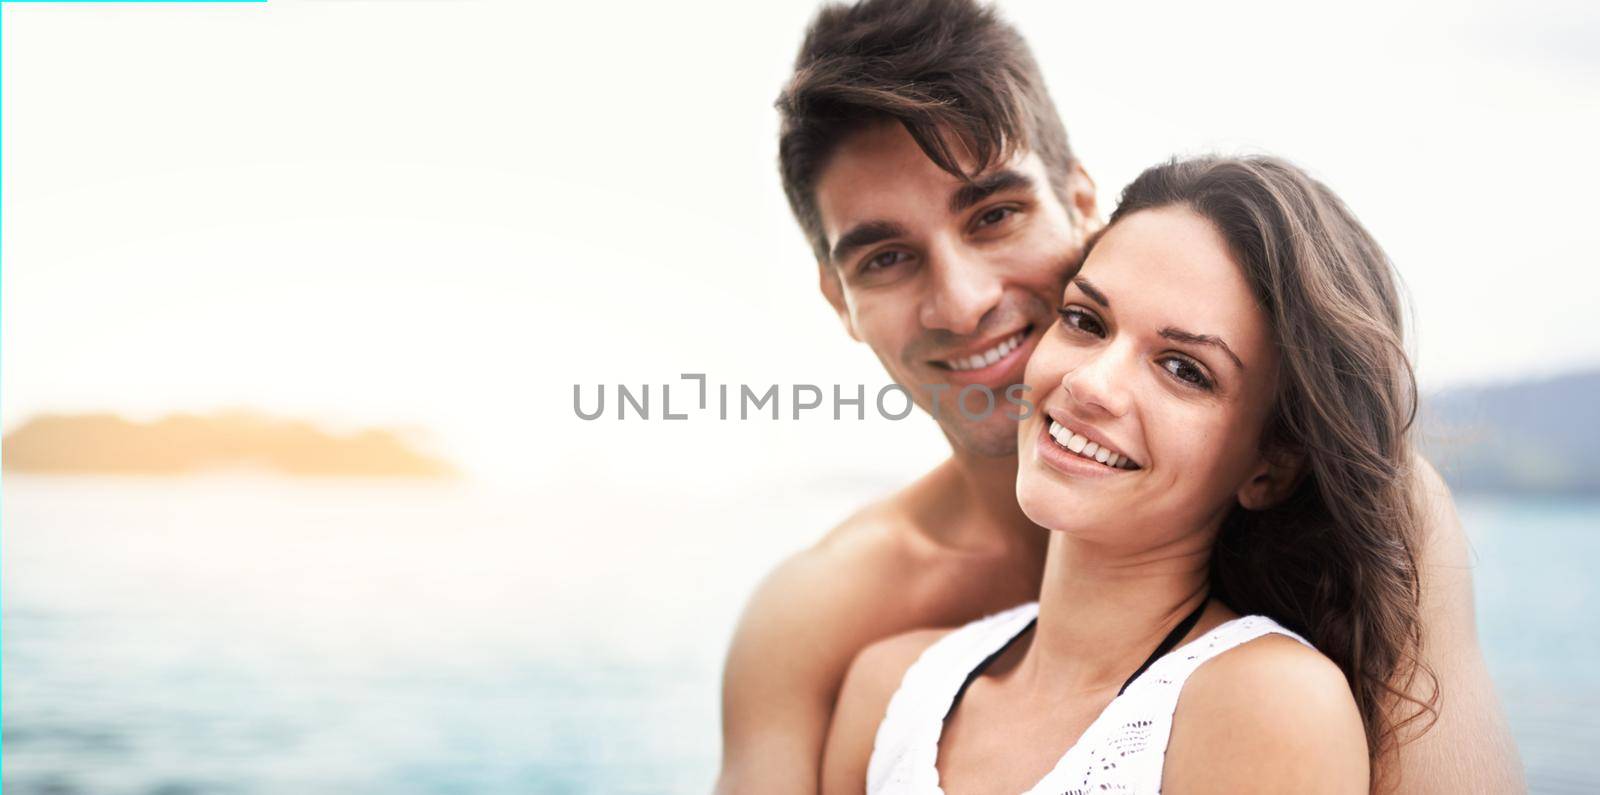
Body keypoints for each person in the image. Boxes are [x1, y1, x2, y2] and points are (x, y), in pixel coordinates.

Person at [716, 1, 1522, 791]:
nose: (961, 302)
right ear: (838, 300)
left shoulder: (1384, 522)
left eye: (994, 214)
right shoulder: (827, 624)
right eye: (886, 258)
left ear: (1080, 202)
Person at [822, 154, 1429, 793]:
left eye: (1184, 369)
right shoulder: (887, 691)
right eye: (1085, 321)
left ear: (1270, 467)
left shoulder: (1271, 702)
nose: (1089, 384)